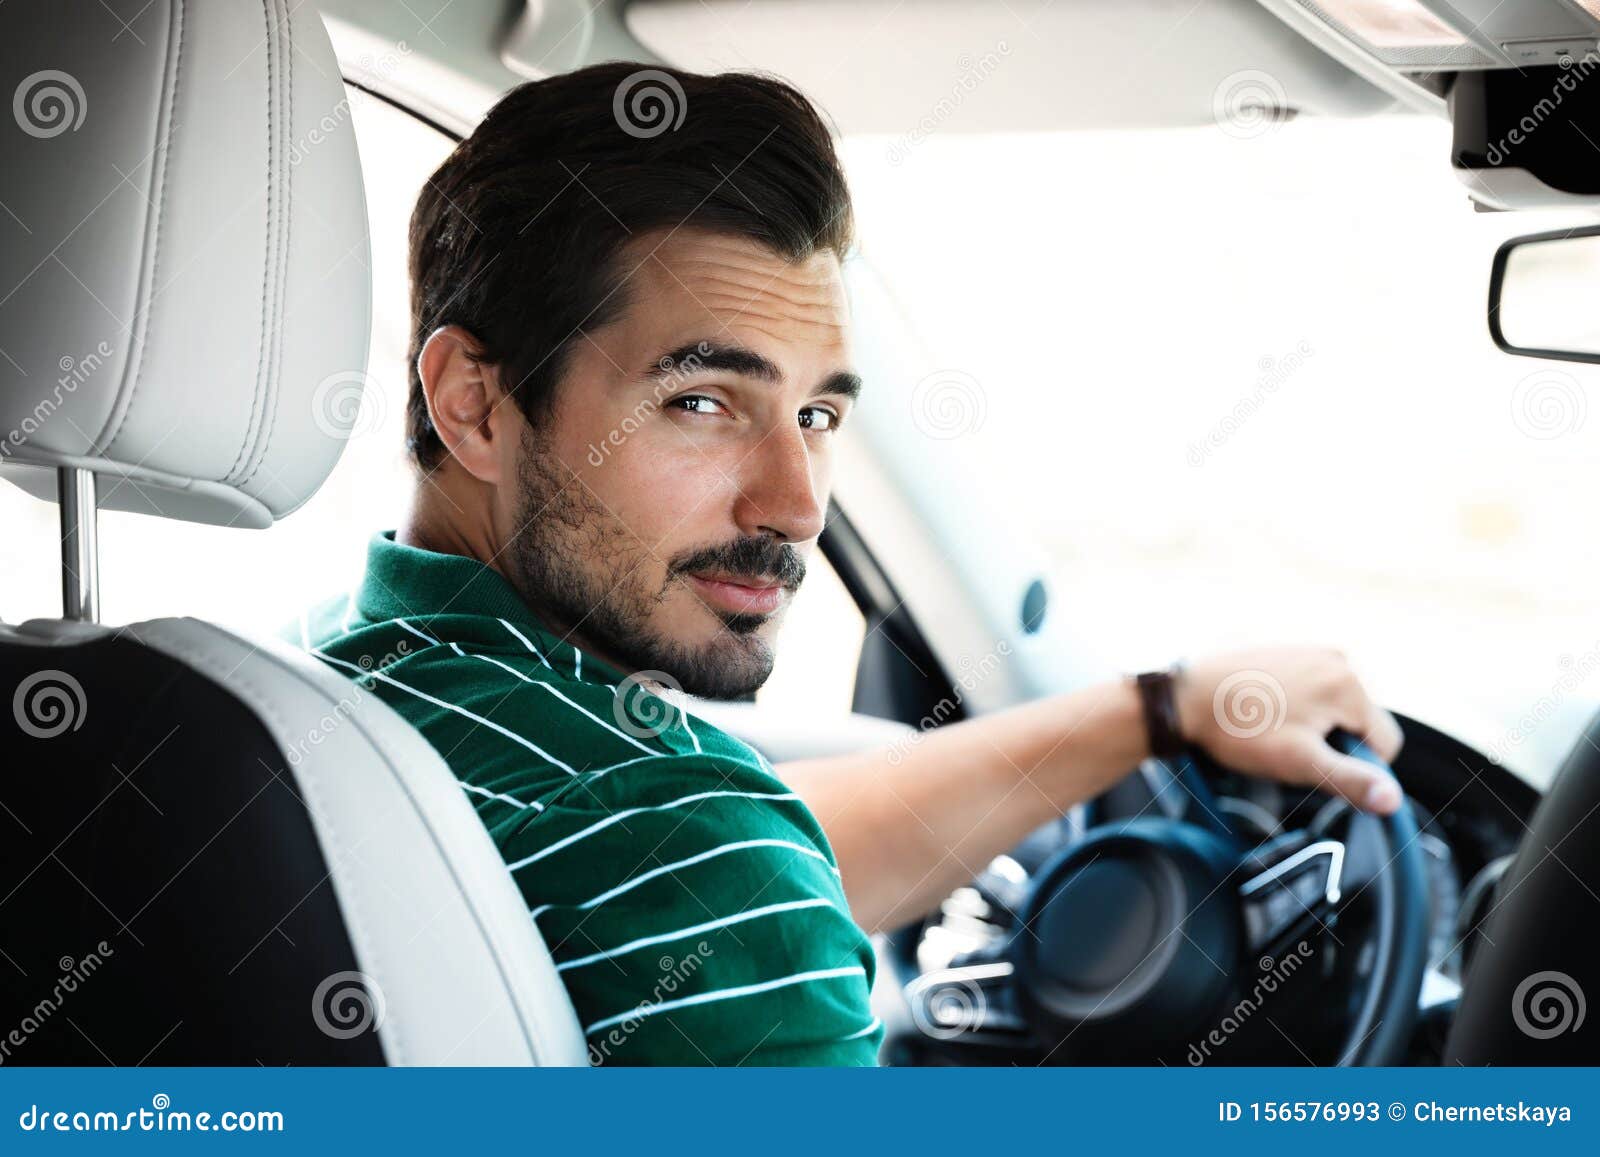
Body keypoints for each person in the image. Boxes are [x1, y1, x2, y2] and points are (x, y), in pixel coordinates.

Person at [296, 62, 1403, 1066]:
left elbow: (753, 854)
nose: (796, 504)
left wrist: (1158, 708)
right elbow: (713, 864)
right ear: (474, 405)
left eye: (817, 412)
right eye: (700, 400)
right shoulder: (672, 838)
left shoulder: (329, 680)